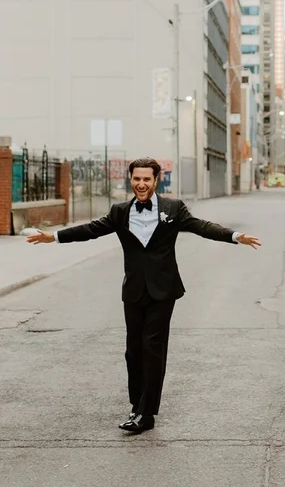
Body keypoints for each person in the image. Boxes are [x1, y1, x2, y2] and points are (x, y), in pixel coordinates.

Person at [26, 157, 262, 434]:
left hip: (164, 290)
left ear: (155, 180)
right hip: (134, 290)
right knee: (133, 352)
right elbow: (90, 230)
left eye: (146, 179)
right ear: (131, 180)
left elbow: (201, 226)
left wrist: (234, 236)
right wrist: (53, 237)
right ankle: (137, 405)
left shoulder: (173, 208)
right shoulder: (120, 211)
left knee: (152, 348)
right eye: (136, 179)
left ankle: (146, 413)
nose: (141, 184)